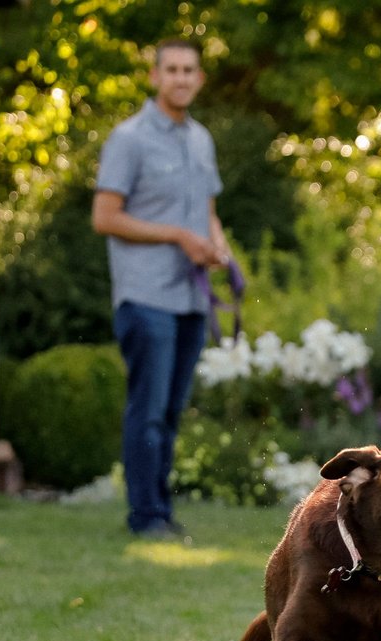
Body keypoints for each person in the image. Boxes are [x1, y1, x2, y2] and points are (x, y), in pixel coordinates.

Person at [92, 37, 232, 537]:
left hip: (190, 298)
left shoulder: (200, 140)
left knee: (171, 412)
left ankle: (160, 511)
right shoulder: (128, 139)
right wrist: (177, 235)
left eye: (189, 70)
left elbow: (208, 213)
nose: (180, 78)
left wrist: (218, 247)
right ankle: (145, 515)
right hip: (146, 295)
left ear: (200, 79)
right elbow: (105, 217)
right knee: (148, 410)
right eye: (171, 69)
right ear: (154, 76)